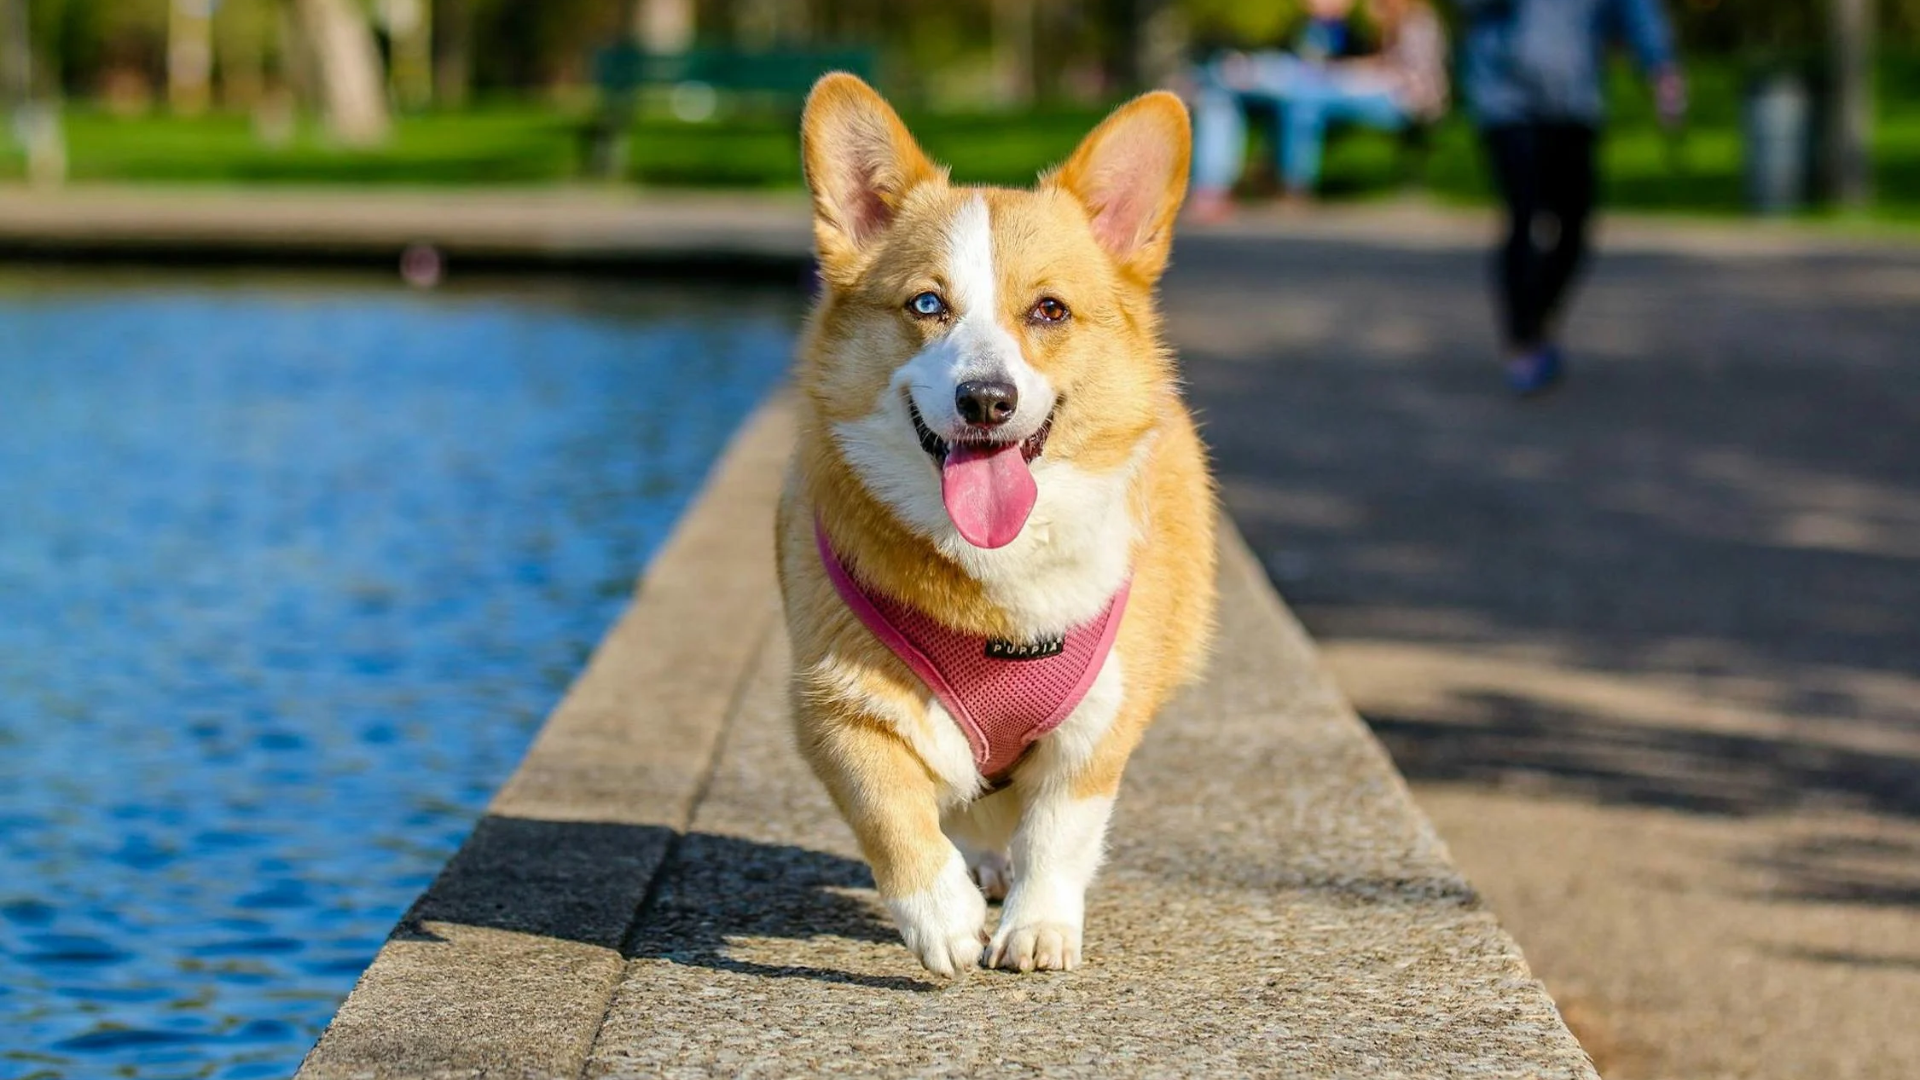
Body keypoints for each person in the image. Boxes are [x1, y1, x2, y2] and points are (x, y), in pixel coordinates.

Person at [1454, 0, 1687, 395]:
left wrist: (1660, 68)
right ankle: (1523, 341)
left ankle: (1537, 319)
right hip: (1507, 100)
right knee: (1523, 216)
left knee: (1576, 226)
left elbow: (1635, 9)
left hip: (1575, 99)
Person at [1188, 0, 1449, 219]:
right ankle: (1219, 188)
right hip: (1341, 84)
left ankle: (1288, 183)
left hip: (1405, 100)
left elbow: (1407, 78)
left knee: (1305, 98)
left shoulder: (1414, 20)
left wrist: (1353, 60)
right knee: (1234, 94)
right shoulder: (1311, 17)